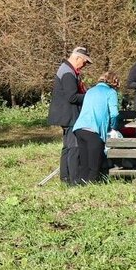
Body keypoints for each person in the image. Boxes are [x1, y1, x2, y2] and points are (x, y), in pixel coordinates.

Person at [64, 73, 120, 185]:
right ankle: (92, 184)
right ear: (114, 82)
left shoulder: (90, 91)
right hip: (93, 129)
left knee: (84, 161)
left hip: (79, 128)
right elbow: (114, 114)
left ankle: (82, 183)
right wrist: (113, 127)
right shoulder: (111, 92)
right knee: (95, 163)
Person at [47, 47, 92, 177]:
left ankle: (65, 177)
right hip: (69, 115)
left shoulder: (66, 69)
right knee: (74, 147)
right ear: (77, 58)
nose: (85, 64)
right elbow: (72, 97)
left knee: (67, 147)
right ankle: (74, 180)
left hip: (65, 114)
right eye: (84, 61)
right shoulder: (68, 73)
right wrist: (90, 96)